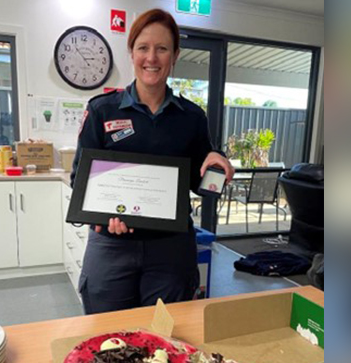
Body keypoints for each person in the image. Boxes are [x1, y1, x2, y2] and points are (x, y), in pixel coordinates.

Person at [70, 8, 234, 315]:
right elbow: (80, 178)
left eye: (162, 49)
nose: (152, 58)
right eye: (143, 48)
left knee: (166, 339)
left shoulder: (192, 117)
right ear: (131, 52)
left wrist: (217, 162)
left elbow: (202, 183)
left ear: (175, 55)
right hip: (112, 245)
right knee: (107, 336)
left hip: (170, 249)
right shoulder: (103, 111)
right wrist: (102, 215)